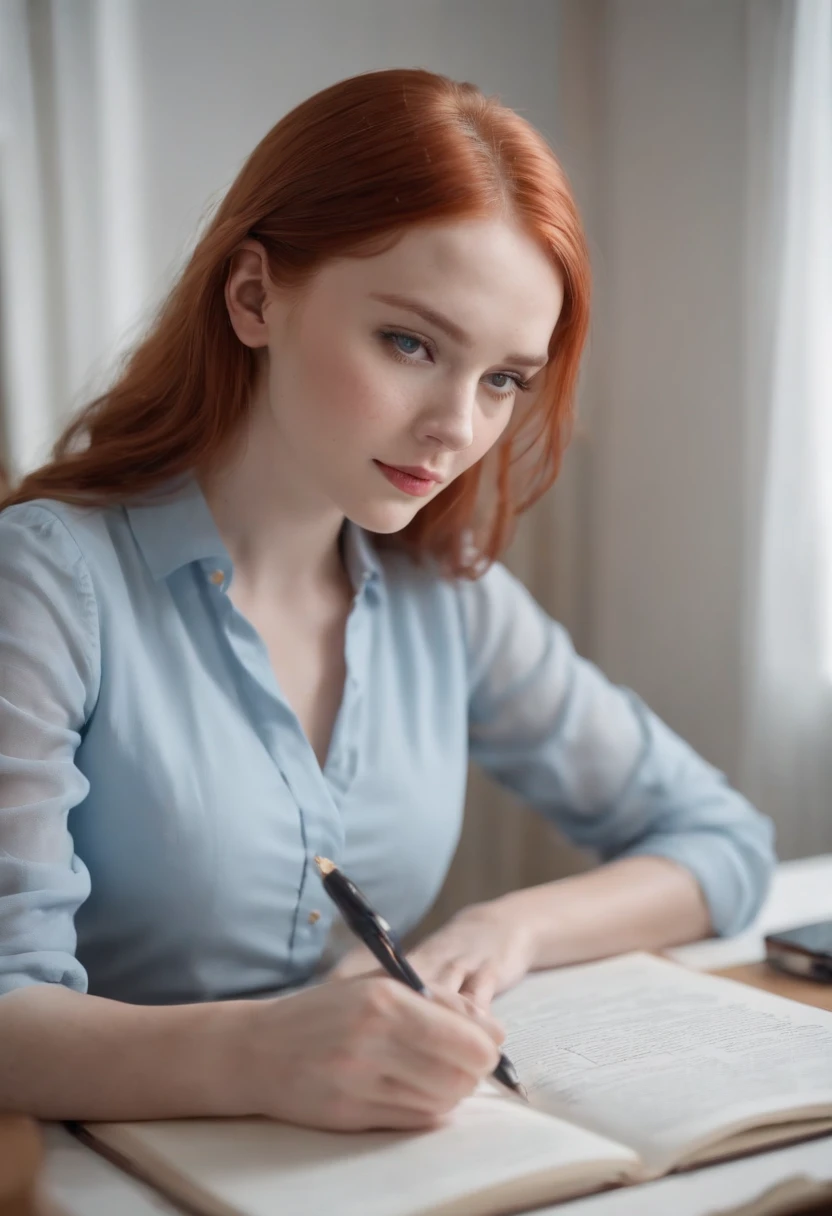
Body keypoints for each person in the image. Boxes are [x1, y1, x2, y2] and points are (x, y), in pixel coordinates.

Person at [0, 68, 774, 1133]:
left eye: (503, 378)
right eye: (411, 343)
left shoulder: (444, 596)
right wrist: (259, 1054)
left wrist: (506, 929)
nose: (455, 427)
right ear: (254, 297)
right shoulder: (45, 581)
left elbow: (721, 843)